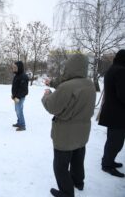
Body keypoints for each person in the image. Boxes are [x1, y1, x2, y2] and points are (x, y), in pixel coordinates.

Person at [42, 54, 96, 197]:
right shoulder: (89, 84)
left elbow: (52, 107)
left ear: (70, 67)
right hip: (83, 131)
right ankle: (78, 182)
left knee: (60, 166)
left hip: (65, 133)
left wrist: (46, 95)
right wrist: (52, 83)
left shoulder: (67, 87)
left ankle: (66, 192)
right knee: (78, 159)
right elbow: (68, 88)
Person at [99, 49, 125, 178]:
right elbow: (122, 94)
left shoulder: (112, 69)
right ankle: (107, 164)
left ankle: (108, 160)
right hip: (118, 113)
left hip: (111, 111)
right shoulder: (121, 71)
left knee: (112, 139)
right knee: (116, 141)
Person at [11, 61, 29, 131]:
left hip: (20, 97)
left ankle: (22, 125)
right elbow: (16, 87)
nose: (14, 68)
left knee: (19, 111)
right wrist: (13, 95)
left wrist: (18, 97)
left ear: (19, 67)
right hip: (16, 97)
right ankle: (19, 122)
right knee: (17, 110)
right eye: (13, 67)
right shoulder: (17, 75)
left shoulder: (23, 76)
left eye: (15, 67)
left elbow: (24, 90)